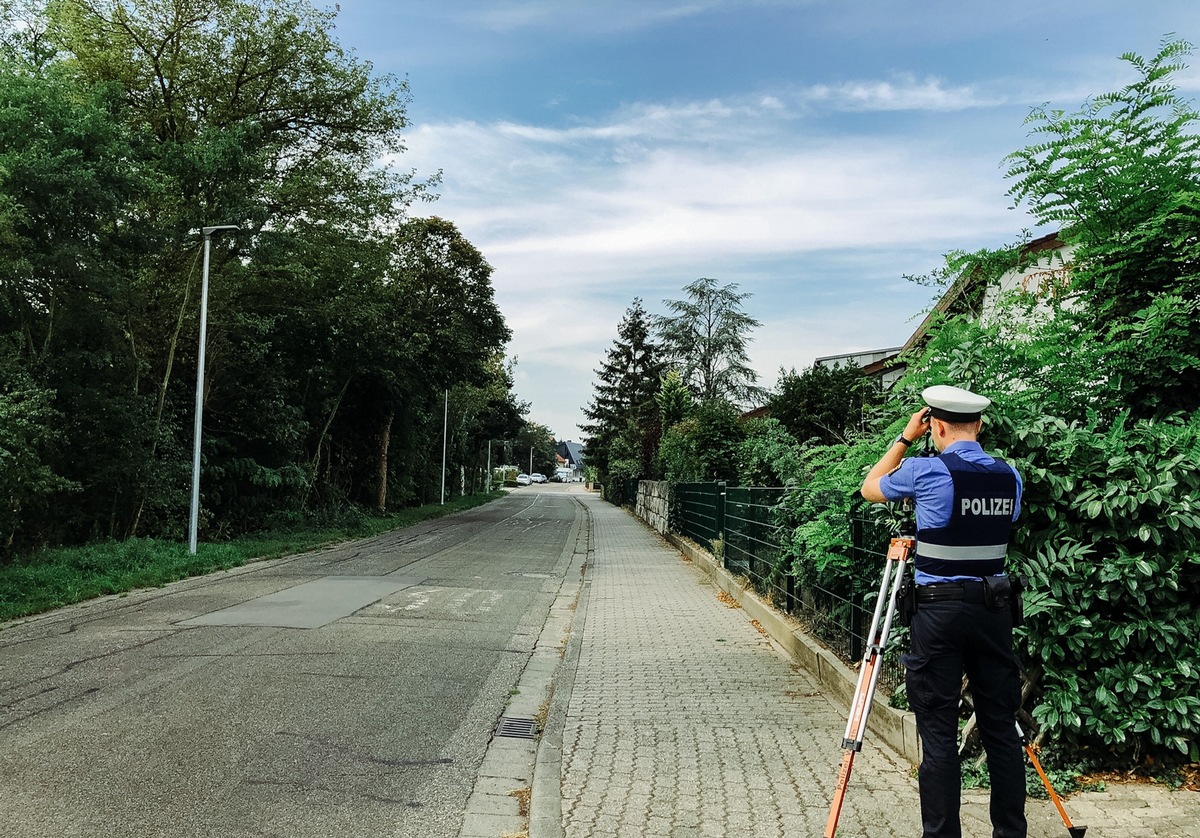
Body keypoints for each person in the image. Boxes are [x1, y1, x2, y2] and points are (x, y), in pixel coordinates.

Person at [860, 385, 1027, 838]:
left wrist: (904, 438)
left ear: (935, 426)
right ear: (979, 425)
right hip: (993, 612)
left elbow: (869, 487)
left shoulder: (925, 471)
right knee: (1001, 731)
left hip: (939, 615)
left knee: (938, 736)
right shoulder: (1009, 476)